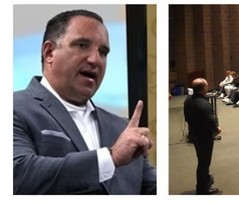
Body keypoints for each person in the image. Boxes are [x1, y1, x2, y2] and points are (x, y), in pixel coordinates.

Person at [13, 9, 156, 194]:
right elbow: (18, 175)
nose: (95, 59)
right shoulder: (14, 108)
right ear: (49, 52)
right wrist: (110, 158)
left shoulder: (122, 128)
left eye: (103, 52)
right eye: (82, 45)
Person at [184, 78, 221, 194]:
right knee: (204, 163)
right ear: (204, 88)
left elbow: (186, 117)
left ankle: (205, 182)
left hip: (194, 134)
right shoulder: (204, 104)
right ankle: (202, 189)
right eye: (206, 86)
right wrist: (216, 130)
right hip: (204, 137)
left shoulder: (188, 100)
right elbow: (210, 121)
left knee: (201, 160)